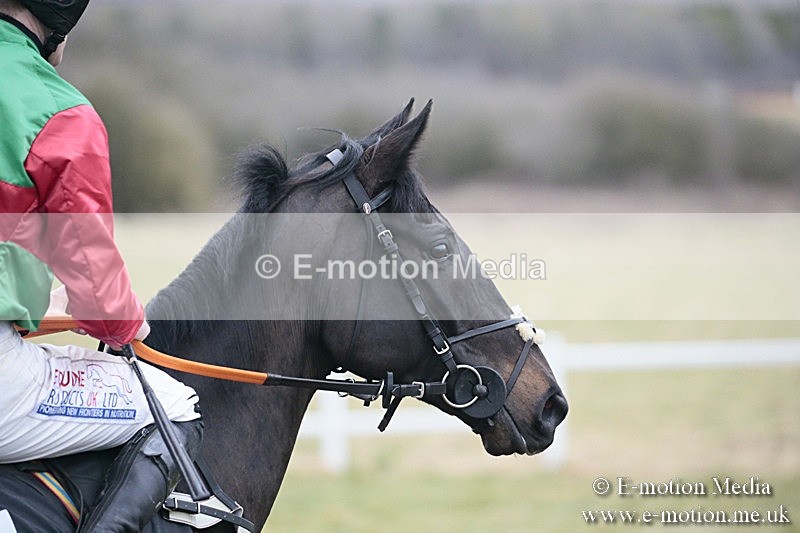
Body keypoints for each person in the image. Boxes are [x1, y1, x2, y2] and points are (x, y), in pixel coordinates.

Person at [0, 0, 203, 530]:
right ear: (57, 24)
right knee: (173, 404)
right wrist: (124, 324)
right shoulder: (57, 110)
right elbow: (96, 289)